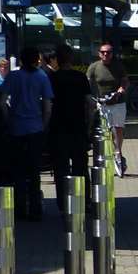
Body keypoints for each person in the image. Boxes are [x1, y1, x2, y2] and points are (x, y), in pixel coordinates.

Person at [0, 45, 53, 221]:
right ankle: (35, 209)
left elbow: (1, 101)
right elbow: (47, 105)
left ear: (21, 59)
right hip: (35, 128)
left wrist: (8, 119)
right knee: (34, 171)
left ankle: (20, 209)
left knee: (19, 171)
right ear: (36, 59)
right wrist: (44, 124)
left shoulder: (13, 76)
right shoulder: (42, 77)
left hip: (16, 128)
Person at [48, 43, 93, 214]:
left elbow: (47, 104)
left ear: (57, 59)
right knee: (80, 167)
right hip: (78, 128)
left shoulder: (52, 78)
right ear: (71, 59)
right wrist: (89, 127)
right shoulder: (80, 77)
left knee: (61, 169)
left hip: (58, 129)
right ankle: (84, 201)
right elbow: (89, 104)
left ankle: (63, 203)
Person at [87, 41, 129, 175]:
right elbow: (87, 82)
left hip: (118, 102)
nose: (106, 54)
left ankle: (118, 153)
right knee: (105, 131)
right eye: (103, 52)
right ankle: (106, 156)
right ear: (99, 54)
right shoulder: (94, 67)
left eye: (108, 52)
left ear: (112, 54)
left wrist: (121, 89)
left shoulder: (118, 66)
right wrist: (90, 98)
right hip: (102, 103)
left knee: (118, 129)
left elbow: (125, 80)